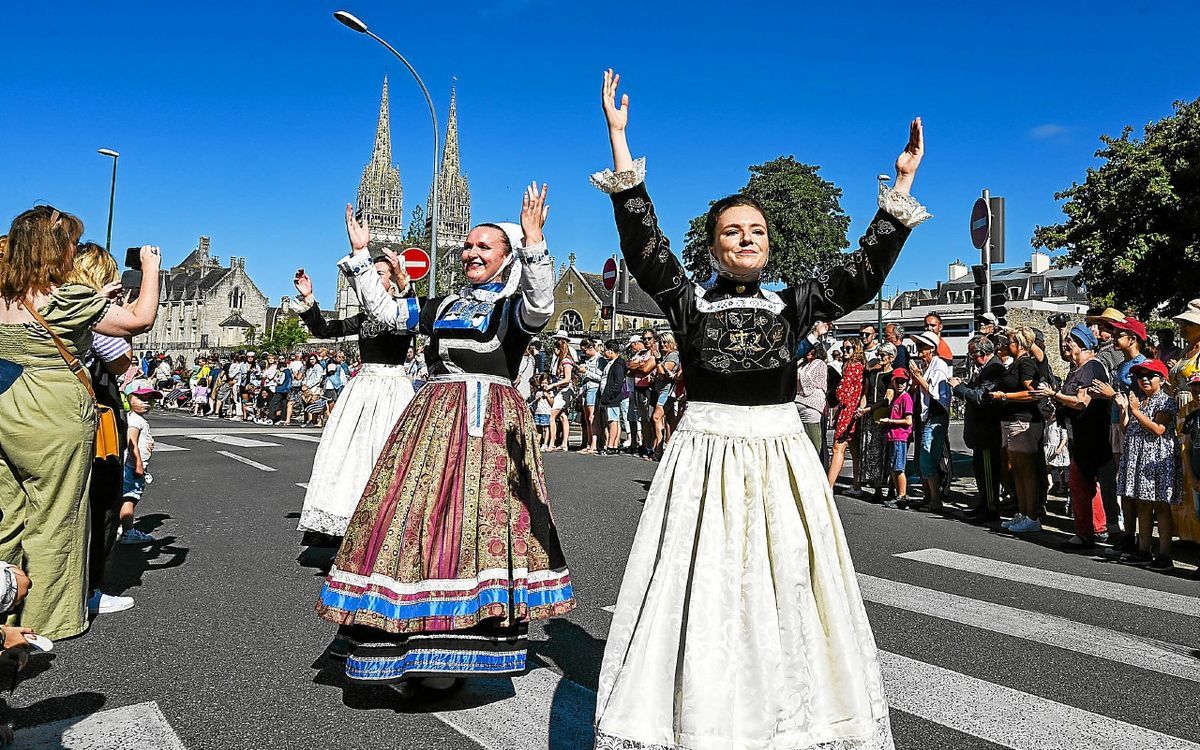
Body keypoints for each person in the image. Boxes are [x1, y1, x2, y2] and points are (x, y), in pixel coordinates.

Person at [591, 69, 928, 750]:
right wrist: (620, 142)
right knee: (703, 590)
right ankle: (701, 716)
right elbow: (643, 246)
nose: (746, 239)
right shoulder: (689, 301)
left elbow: (863, 270)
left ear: (769, 244)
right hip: (706, 454)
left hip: (778, 454)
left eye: (756, 232)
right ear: (713, 244)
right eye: (732, 231)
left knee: (789, 589)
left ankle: (789, 717)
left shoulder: (794, 303)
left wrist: (901, 186)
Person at [317, 188, 575, 694]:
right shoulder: (441, 304)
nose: (472, 253)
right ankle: (410, 632)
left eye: (486, 247)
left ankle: (461, 640)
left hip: (490, 429)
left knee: (477, 528)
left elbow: (542, 304)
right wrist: (362, 258)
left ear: (506, 259)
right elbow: (389, 315)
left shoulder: (512, 308)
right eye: (467, 246)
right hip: (432, 422)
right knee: (414, 520)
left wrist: (536, 241)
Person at [0, 210, 160, 640]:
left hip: (5, 406)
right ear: (53, 249)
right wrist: (151, 269)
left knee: (8, 517)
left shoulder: (4, 293)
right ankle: (49, 617)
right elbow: (140, 319)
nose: (75, 249)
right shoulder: (65, 297)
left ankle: (5, 611)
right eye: (71, 241)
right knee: (55, 518)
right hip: (51, 412)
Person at [291, 258, 417, 540]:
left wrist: (404, 283)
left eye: (380, 274)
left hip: (393, 387)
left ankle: (391, 520)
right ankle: (353, 516)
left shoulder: (402, 311)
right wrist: (309, 297)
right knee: (353, 451)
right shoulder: (362, 318)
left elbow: (412, 314)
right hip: (363, 388)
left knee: (389, 451)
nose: (372, 279)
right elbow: (323, 330)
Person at [1038, 324, 1111, 549]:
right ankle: (1095, 528)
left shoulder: (1092, 367)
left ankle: (1087, 532)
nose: (1067, 344)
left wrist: (1054, 394)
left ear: (1083, 344)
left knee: (1080, 482)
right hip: (1078, 433)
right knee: (1084, 482)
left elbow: (1082, 402)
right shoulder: (1077, 369)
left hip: (1091, 434)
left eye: (1071, 340)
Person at [1114, 359, 1179, 570]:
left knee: (1161, 505)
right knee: (1142, 503)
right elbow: (1128, 429)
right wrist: (1125, 410)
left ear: (1161, 379)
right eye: (1141, 376)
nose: (1144, 379)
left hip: (1156, 460)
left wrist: (1135, 411)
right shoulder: (1140, 402)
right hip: (1139, 456)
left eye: (1150, 375)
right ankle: (1143, 550)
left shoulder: (1165, 401)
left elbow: (1159, 428)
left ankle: (1164, 554)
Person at [950, 336, 1007, 522]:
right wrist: (964, 386)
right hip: (980, 431)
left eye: (972, 354)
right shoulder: (985, 369)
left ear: (981, 354)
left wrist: (959, 388)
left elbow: (981, 397)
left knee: (988, 472)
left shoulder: (994, 369)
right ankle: (983, 504)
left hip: (987, 430)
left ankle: (990, 508)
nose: (971, 358)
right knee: (980, 470)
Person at [909, 331, 953, 511]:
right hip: (927, 416)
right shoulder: (927, 365)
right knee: (923, 458)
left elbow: (936, 394)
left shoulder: (938, 365)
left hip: (936, 416)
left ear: (932, 349)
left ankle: (935, 500)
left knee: (928, 457)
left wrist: (918, 377)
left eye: (922, 346)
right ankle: (928, 497)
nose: (919, 349)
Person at [120, 382, 163, 545]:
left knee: (128, 498)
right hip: (131, 467)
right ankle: (128, 532)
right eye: (140, 398)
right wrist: (138, 464)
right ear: (128, 400)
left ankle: (122, 527)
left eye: (149, 399)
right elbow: (132, 443)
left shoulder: (137, 419)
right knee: (129, 498)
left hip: (133, 466)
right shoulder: (134, 420)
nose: (146, 402)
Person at [857, 342, 896, 500]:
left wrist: (870, 409)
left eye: (883, 355)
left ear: (891, 358)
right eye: (878, 355)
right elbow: (866, 392)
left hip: (882, 416)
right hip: (869, 415)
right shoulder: (873, 374)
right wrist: (862, 408)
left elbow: (888, 398)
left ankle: (890, 488)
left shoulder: (892, 376)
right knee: (871, 452)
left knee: (885, 452)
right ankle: (877, 488)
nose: (879, 358)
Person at [827, 337, 865, 491]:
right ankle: (856, 485)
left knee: (837, 448)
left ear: (856, 349)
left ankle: (828, 485)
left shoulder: (852, 367)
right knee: (854, 450)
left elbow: (843, 391)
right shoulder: (859, 366)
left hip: (848, 411)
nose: (845, 352)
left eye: (849, 348)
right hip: (853, 410)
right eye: (843, 349)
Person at [878, 368, 914, 509]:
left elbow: (908, 420)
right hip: (893, 436)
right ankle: (898, 495)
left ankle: (902, 496)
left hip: (900, 437)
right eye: (897, 381)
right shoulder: (896, 397)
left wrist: (889, 421)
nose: (900, 384)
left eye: (903, 381)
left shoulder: (905, 398)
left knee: (899, 468)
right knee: (893, 467)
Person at [649, 332, 680, 458]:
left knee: (656, 417)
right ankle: (670, 447)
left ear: (672, 343)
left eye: (665, 342)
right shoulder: (666, 356)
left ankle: (659, 449)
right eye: (661, 342)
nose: (663, 345)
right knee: (670, 419)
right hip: (663, 390)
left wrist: (657, 362)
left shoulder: (673, 356)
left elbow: (663, 374)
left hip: (666, 391)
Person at [794, 343, 828, 451]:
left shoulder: (819, 363)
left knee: (813, 443)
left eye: (811, 350)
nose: (808, 352)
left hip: (811, 406)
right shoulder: (801, 364)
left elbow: (807, 379)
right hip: (798, 404)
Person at [546, 332, 576, 452]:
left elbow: (567, 378)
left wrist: (552, 385)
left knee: (552, 415)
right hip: (562, 389)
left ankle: (552, 443)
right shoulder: (561, 360)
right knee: (563, 416)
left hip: (565, 390)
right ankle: (564, 443)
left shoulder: (566, 361)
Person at [597, 339, 627, 455]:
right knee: (613, 420)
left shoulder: (618, 364)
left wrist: (610, 395)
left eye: (606, 350)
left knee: (612, 421)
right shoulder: (612, 363)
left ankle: (611, 445)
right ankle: (613, 445)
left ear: (611, 351)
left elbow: (618, 382)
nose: (604, 352)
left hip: (612, 398)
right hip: (608, 396)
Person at [578, 340, 605, 454]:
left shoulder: (600, 360)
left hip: (594, 388)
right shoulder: (587, 360)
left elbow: (600, 377)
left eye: (587, 349)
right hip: (585, 388)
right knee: (587, 417)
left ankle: (594, 444)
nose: (585, 351)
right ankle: (589, 443)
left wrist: (586, 372)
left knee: (592, 417)